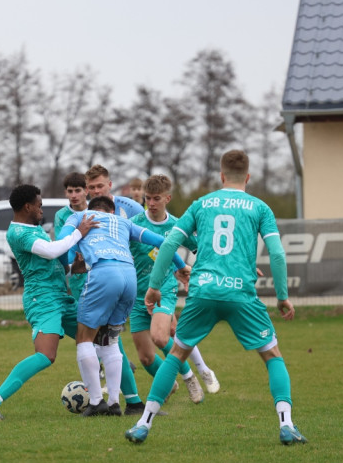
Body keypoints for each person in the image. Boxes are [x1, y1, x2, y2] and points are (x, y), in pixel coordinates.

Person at [124, 150, 308, 446]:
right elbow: (276, 252)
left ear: (221, 176)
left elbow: (171, 242)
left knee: (176, 355)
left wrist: (155, 285)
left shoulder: (202, 204)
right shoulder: (260, 207)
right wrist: (283, 297)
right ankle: (286, 425)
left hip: (203, 291)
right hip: (240, 293)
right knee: (272, 356)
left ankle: (143, 424)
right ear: (247, 177)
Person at [56, 195, 189, 417]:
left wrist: (67, 267)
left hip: (103, 273)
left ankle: (97, 402)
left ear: (94, 209)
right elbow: (162, 242)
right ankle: (115, 403)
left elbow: (62, 242)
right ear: (113, 211)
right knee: (111, 340)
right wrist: (181, 265)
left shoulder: (81, 216)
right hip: (130, 278)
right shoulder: (124, 222)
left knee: (84, 338)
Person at [0, 184, 98, 420]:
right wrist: (78, 233)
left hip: (62, 297)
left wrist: (74, 268)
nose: (42, 211)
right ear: (28, 206)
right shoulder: (18, 233)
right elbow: (52, 252)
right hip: (41, 300)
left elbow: (53, 264)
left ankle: (124, 400)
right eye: (39, 206)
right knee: (46, 355)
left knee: (99, 337)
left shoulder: (35, 228)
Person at [129, 174, 220, 404]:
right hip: (137, 293)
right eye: (148, 198)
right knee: (146, 358)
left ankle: (190, 376)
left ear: (167, 198)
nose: (151, 203)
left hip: (164, 289)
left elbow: (202, 248)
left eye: (156, 198)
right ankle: (171, 383)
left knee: (160, 338)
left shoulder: (177, 225)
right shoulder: (135, 223)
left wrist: (206, 269)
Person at [81, 164, 147, 412]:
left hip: (124, 277)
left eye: (101, 185)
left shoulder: (131, 209)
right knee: (104, 342)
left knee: (104, 341)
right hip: (90, 279)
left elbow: (144, 242)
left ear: (110, 185)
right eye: (92, 187)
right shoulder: (78, 214)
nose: (96, 190)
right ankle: (124, 401)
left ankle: (114, 400)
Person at [52, 172, 90, 300]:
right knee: (77, 310)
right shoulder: (61, 215)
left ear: (86, 190)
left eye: (78, 190)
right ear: (66, 193)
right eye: (70, 191)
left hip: (95, 266)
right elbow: (62, 244)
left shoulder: (95, 210)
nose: (73, 195)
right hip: (73, 269)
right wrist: (69, 269)